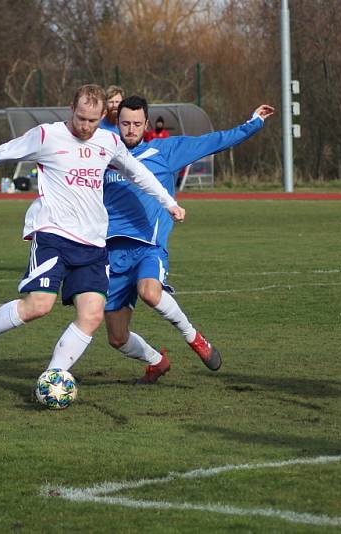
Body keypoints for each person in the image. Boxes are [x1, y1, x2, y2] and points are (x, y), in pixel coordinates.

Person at [0, 84, 185, 379]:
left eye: (92, 120)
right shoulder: (47, 135)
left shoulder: (109, 142)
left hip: (93, 242)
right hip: (53, 235)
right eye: (80, 118)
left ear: (103, 115)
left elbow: (139, 174)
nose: (86, 126)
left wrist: (169, 203)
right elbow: (3, 153)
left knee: (91, 316)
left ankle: (53, 377)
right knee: (39, 305)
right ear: (71, 109)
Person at [104, 96, 274, 383]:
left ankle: (194, 337)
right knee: (117, 338)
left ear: (146, 124)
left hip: (149, 246)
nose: (130, 130)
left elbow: (214, 141)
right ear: (116, 124)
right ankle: (157, 362)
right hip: (111, 252)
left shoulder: (166, 150)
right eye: (125, 124)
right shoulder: (103, 153)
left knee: (150, 292)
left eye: (136, 124)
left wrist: (253, 124)